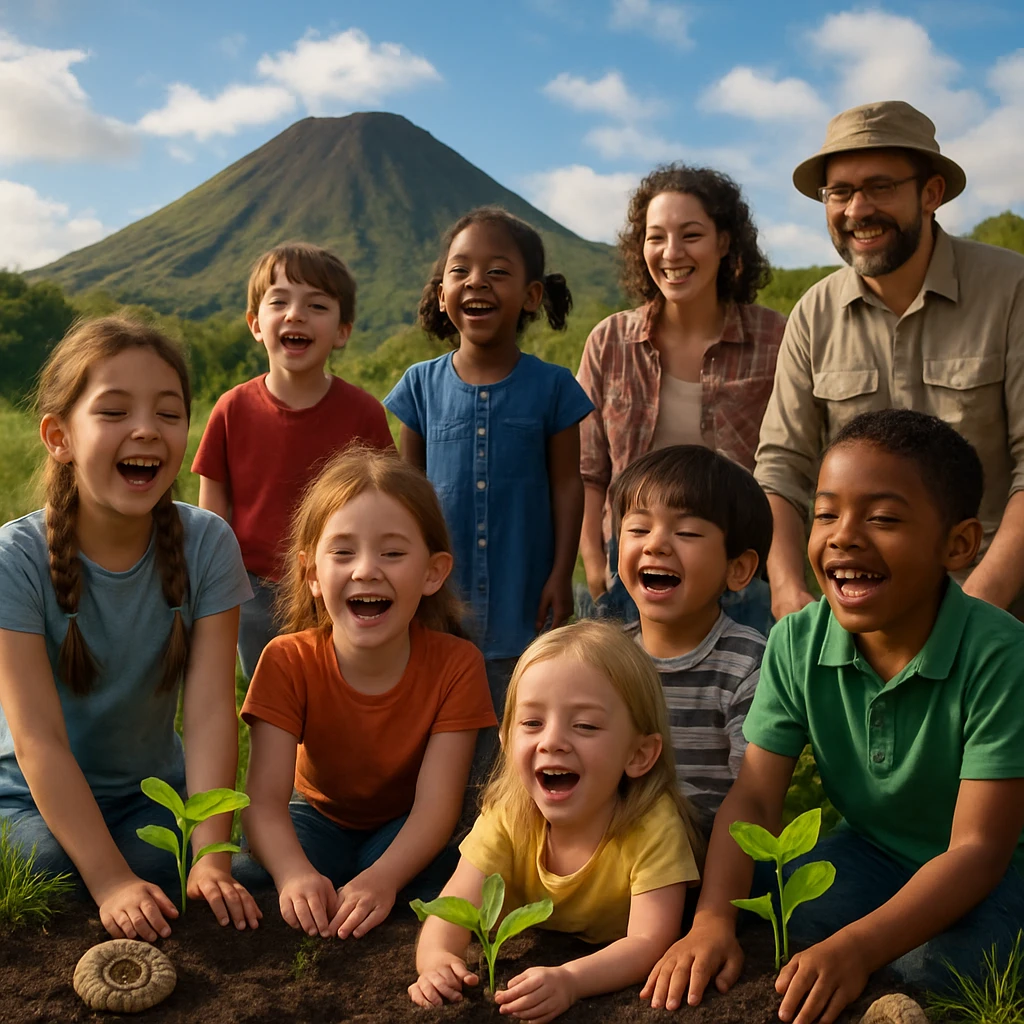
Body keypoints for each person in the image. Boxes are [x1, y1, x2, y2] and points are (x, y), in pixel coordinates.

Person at [644, 410, 1024, 1024]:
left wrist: (857, 948)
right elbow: (756, 800)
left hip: (993, 869)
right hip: (874, 852)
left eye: (883, 518)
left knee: (956, 965)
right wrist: (713, 920)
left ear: (958, 544)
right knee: (774, 914)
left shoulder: (1000, 656)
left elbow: (978, 850)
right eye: (825, 514)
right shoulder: (798, 641)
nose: (842, 537)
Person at [0, 316, 260, 942]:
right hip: (27, 795)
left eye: (168, 413)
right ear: (59, 435)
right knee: (52, 869)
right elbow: (37, 742)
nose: (146, 429)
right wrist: (110, 881)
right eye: (114, 411)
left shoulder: (207, 544)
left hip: (150, 794)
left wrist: (210, 856)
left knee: (212, 876)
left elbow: (207, 715)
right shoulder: (16, 558)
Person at [756, 100, 1024, 623]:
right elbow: (781, 469)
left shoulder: (1011, 290)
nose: (857, 210)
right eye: (839, 192)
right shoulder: (813, 313)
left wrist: (976, 613)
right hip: (857, 613)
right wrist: (787, 591)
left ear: (931, 193)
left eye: (880, 187)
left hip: (1001, 615)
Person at [236, 446, 496, 941]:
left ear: (432, 572)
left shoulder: (457, 665)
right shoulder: (286, 660)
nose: (366, 569)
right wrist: (294, 874)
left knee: (444, 879)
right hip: (315, 818)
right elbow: (263, 804)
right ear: (312, 573)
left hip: (405, 828)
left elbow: (436, 811)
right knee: (257, 877)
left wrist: (382, 880)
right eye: (343, 552)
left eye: (393, 553)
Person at [409, 620, 703, 1022]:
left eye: (585, 725)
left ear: (638, 754)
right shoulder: (508, 816)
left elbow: (650, 941)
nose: (552, 741)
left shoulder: (652, 825)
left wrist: (571, 980)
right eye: (532, 723)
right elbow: (453, 908)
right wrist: (436, 960)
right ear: (507, 742)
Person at [384, 207, 593, 716]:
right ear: (442, 294)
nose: (477, 282)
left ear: (531, 295)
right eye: (460, 271)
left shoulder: (554, 388)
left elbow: (569, 486)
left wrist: (562, 574)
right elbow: (406, 497)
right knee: (442, 735)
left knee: (519, 730)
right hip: (439, 610)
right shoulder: (419, 386)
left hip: (525, 604)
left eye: (498, 272)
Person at [577, 165, 785, 634]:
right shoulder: (611, 340)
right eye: (656, 237)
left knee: (740, 696)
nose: (671, 253)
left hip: (742, 565)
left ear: (725, 242)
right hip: (634, 564)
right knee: (633, 700)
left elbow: (789, 463)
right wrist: (594, 558)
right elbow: (589, 469)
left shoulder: (774, 338)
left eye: (691, 235)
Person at [192, 242, 393, 681]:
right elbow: (213, 509)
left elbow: (387, 501)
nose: (295, 314)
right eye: (279, 301)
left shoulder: (362, 413)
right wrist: (212, 581)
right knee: (268, 697)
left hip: (339, 583)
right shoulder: (232, 408)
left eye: (316, 305)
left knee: (336, 690)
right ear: (255, 324)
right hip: (252, 587)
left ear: (342, 331)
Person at [611, 445, 772, 839]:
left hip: (708, 848)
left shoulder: (747, 663)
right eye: (638, 529)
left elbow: (752, 798)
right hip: (612, 842)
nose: (656, 544)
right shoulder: (605, 658)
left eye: (686, 532)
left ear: (738, 569)